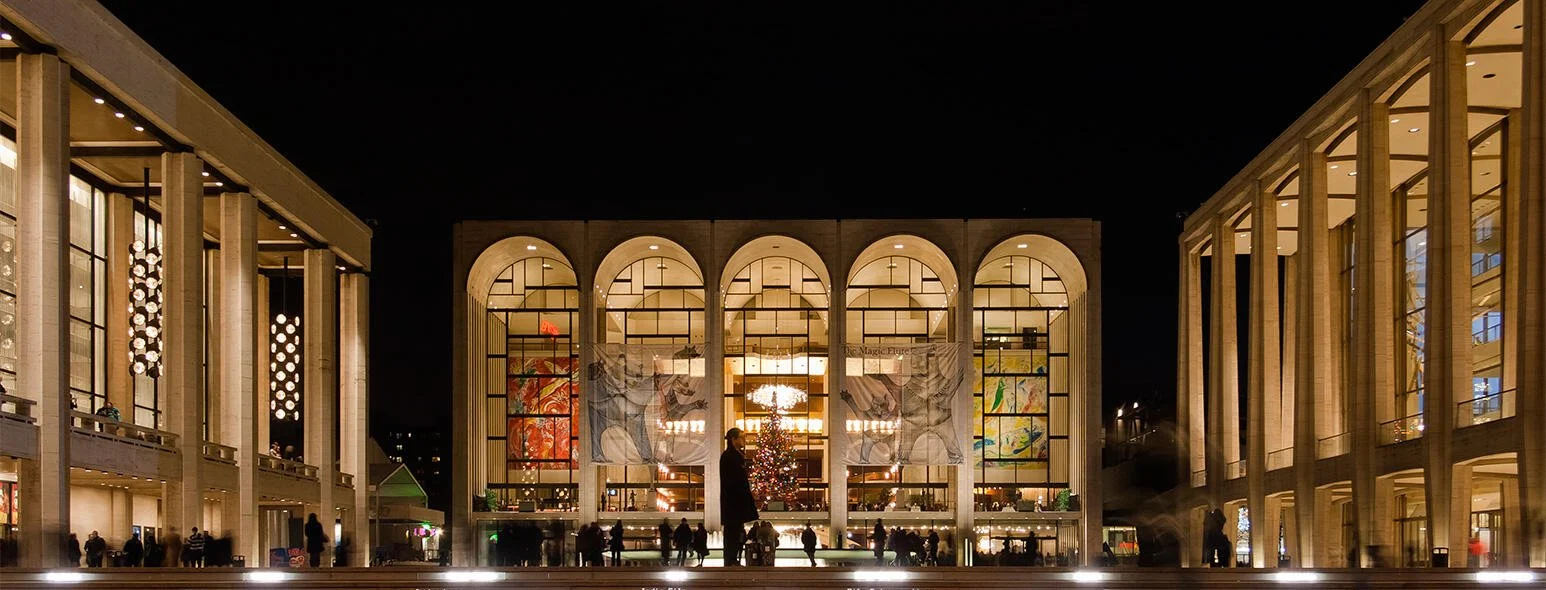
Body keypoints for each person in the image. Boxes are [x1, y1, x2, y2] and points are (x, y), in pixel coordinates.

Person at [718, 427, 759, 566]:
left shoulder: (734, 455)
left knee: (735, 531)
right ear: (733, 439)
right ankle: (730, 559)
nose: (744, 440)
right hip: (733, 501)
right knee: (732, 531)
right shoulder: (729, 456)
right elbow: (733, 481)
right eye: (741, 437)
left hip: (735, 500)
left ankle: (731, 559)